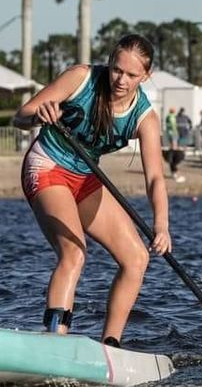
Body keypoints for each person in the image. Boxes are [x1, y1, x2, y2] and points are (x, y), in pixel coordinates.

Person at [12, 34, 172, 347]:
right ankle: (55, 341)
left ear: (146, 76)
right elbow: (20, 115)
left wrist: (161, 225)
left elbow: (155, 178)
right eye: (116, 70)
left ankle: (110, 346)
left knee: (137, 258)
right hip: (47, 166)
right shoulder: (81, 78)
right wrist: (38, 116)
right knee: (74, 253)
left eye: (131, 75)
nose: (120, 80)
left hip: (85, 177)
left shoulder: (145, 118)